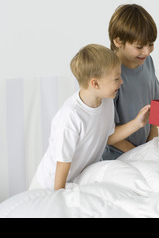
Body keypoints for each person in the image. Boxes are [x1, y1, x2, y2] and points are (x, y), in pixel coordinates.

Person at [30, 44, 151, 190]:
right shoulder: (71, 115)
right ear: (95, 83)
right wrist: (59, 194)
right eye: (116, 79)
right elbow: (63, 161)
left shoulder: (106, 101)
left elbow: (107, 137)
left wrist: (137, 123)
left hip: (75, 181)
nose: (121, 82)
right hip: (50, 185)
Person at [102, 4, 159, 160]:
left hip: (144, 152)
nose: (147, 51)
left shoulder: (147, 61)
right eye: (139, 46)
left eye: (151, 44)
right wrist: (138, 154)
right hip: (116, 156)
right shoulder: (107, 74)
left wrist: (152, 143)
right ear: (118, 41)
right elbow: (106, 134)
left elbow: (154, 106)